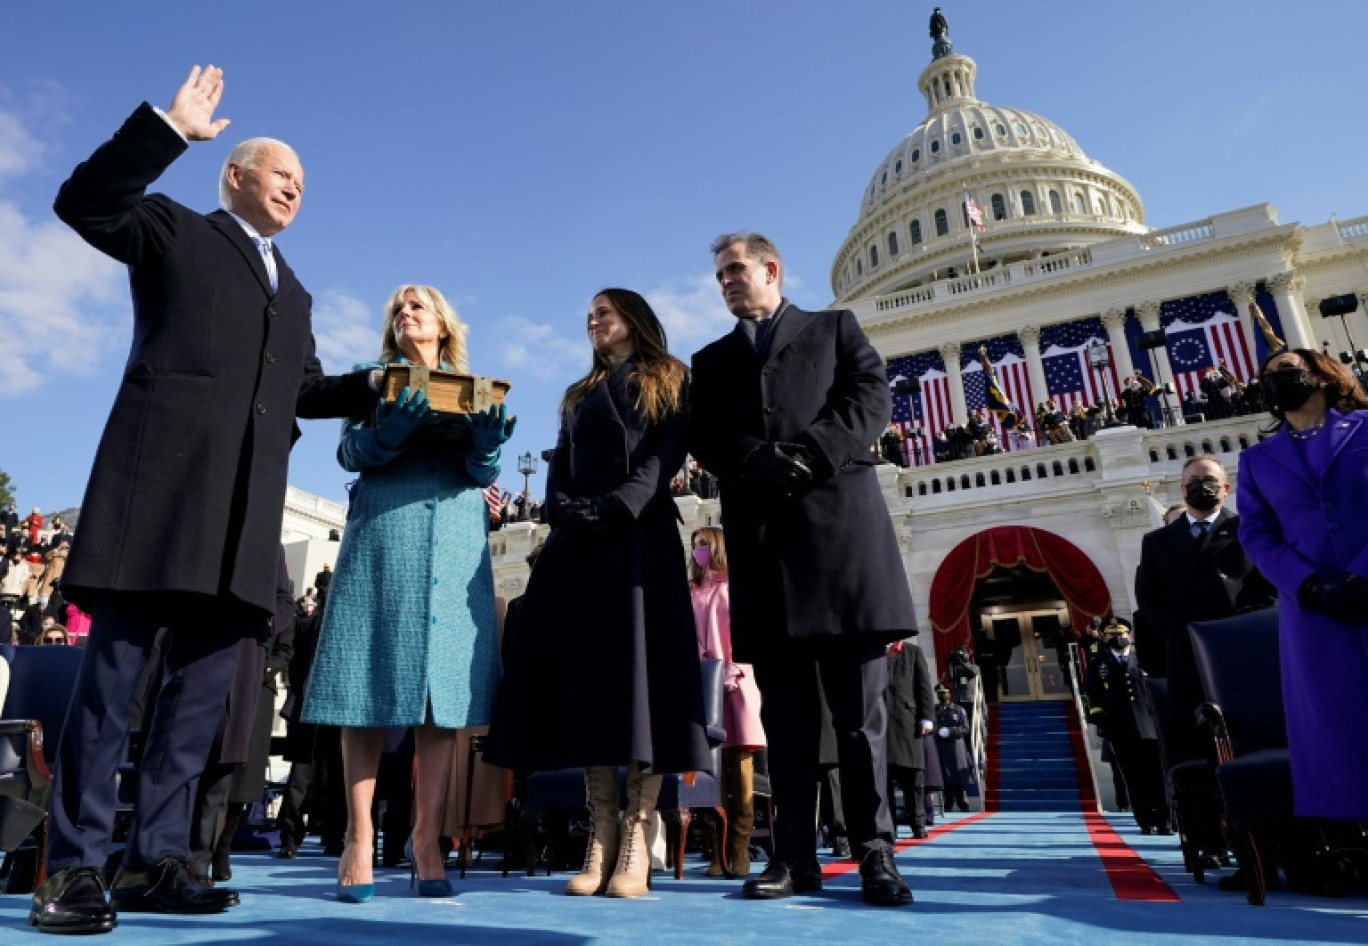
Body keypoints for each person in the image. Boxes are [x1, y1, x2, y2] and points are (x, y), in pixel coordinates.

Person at [29, 66, 379, 935]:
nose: (297, 185)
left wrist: (375, 385)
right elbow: (85, 202)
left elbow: (301, 388)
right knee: (112, 694)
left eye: (304, 179)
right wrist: (167, 130)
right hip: (158, 501)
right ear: (235, 175)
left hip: (241, 525)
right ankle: (70, 869)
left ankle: (157, 861)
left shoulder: (293, 291)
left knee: (194, 709)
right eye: (280, 172)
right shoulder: (173, 229)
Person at [689, 232, 916, 907]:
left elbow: (870, 399)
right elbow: (702, 434)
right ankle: (793, 857)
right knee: (785, 724)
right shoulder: (712, 360)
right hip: (766, 553)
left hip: (843, 544)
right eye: (720, 274)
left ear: (771, 269)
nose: (727, 281)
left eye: (736, 270)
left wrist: (812, 453)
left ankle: (876, 853)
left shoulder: (834, 328)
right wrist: (754, 459)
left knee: (859, 719)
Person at [486, 288, 710, 899]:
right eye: (588, 314)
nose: (592, 321)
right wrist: (563, 510)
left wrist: (619, 506)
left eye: (603, 312)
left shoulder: (669, 377)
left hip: (638, 541)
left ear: (633, 320)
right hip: (580, 547)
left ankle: (638, 831)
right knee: (588, 686)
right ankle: (601, 830)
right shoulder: (579, 395)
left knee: (639, 682)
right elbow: (560, 462)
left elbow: (666, 454)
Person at [302, 283, 515, 901]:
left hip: (453, 533)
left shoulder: (473, 387)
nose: (404, 314)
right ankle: (358, 837)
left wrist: (487, 448)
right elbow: (347, 451)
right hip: (385, 532)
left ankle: (427, 840)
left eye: (417, 307)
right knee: (363, 683)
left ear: (443, 325)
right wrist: (385, 437)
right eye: (397, 308)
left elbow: (483, 473)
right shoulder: (372, 380)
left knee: (441, 694)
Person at [1236, 347, 1368, 820]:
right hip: (1313, 610)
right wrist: (1308, 584)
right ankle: (1352, 835)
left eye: (1286, 370)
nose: (1275, 380)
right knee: (1337, 725)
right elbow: (1255, 533)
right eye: (1267, 376)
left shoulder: (1365, 428)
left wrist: (1360, 575)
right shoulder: (1257, 461)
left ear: (1319, 376)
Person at [1134, 456, 1274, 763]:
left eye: (1209, 480)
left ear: (1225, 488)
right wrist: (1183, 631)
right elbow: (1148, 597)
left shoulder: (1249, 529)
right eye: (1194, 481)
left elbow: (1269, 587)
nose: (1202, 486)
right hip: (1188, 653)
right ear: (1183, 490)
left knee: (1252, 738)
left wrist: (1237, 627)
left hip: (1242, 649)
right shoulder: (1157, 542)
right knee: (1197, 746)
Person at [689, 526, 766, 877]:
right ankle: (716, 851)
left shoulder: (733, 588)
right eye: (693, 546)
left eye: (703, 545)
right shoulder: (690, 590)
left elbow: (743, 635)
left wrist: (733, 670)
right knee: (710, 771)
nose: (697, 552)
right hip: (703, 687)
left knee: (741, 767)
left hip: (735, 682)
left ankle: (740, 848)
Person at [1085, 619, 1170, 834]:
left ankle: (1164, 820)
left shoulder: (1144, 659)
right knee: (1133, 776)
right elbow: (1094, 695)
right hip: (1120, 728)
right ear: (1105, 637)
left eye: (1122, 634)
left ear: (1129, 636)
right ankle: (1145, 821)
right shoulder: (1098, 663)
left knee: (1157, 774)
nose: (1118, 639)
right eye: (1112, 635)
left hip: (1150, 726)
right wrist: (1101, 723)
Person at [885, 638, 936, 838]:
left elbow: (924, 687)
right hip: (881, 724)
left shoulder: (913, 652)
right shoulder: (874, 653)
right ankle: (888, 827)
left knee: (913, 777)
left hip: (907, 722)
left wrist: (927, 717)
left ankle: (918, 823)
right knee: (883, 779)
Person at [932, 686, 973, 811]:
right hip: (941, 747)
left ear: (949, 694)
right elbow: (930, 726)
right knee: (944, 776)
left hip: (955, 747)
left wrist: (950, 731)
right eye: (940, 694)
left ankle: (962, 801)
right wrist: (938, 731)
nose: (943, 696)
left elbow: (965, 728)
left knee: (958, 775)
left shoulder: (958, 709)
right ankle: (947, 802)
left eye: (945, 693)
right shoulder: (934, 710)